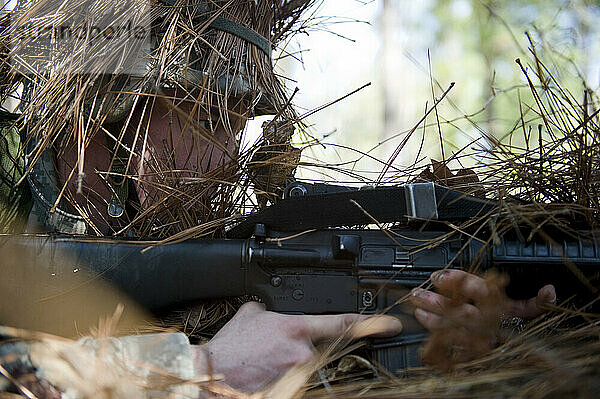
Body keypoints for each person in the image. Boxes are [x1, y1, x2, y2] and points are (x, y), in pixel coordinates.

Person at [0, 0, 556, 396]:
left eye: (240, 126)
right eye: (210, 119)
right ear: (109, 111)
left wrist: (427, 321)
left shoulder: (145, 233)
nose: (228, 160)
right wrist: (199, 368)